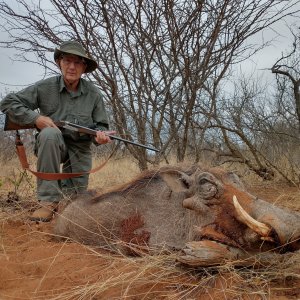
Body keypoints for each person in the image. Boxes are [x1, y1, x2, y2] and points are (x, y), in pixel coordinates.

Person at [0, 40, 112, 222]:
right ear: (59, 62)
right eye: (67, 61)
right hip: (52, 145)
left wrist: (100, 138)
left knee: (74, 207)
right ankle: (47, 202)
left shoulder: (94, 94)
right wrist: (36, 119)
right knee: (50, 134)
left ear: (84, 67)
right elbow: (7, 102)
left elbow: (101, 127)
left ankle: (65, 201)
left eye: (77, 63)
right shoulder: (45, 87)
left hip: (80, 150)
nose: (72, 67)